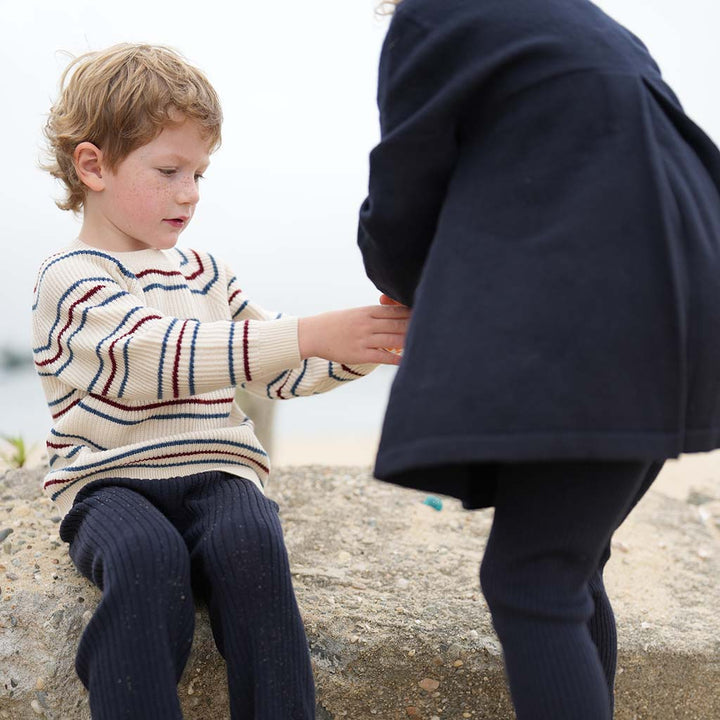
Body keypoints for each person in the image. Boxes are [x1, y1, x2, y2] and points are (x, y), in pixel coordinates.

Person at [358, 1, 720, 718]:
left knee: (533, 580)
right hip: (690, 282)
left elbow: (405, 193)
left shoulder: (436, 15)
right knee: (569, 567)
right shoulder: (574, 16)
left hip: (606, 299)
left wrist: (398, 284)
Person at [32, 43, 410, 720]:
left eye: (200, 174)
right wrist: (308, 332)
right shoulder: (71, 277)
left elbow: (274, 365)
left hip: (216, 469)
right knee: (146, 559)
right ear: (93, 166)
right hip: (109, 480)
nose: (190, 193)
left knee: (253, 545)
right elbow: (151, 357)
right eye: (169, 170)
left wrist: (360, 346)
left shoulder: (205, 272)